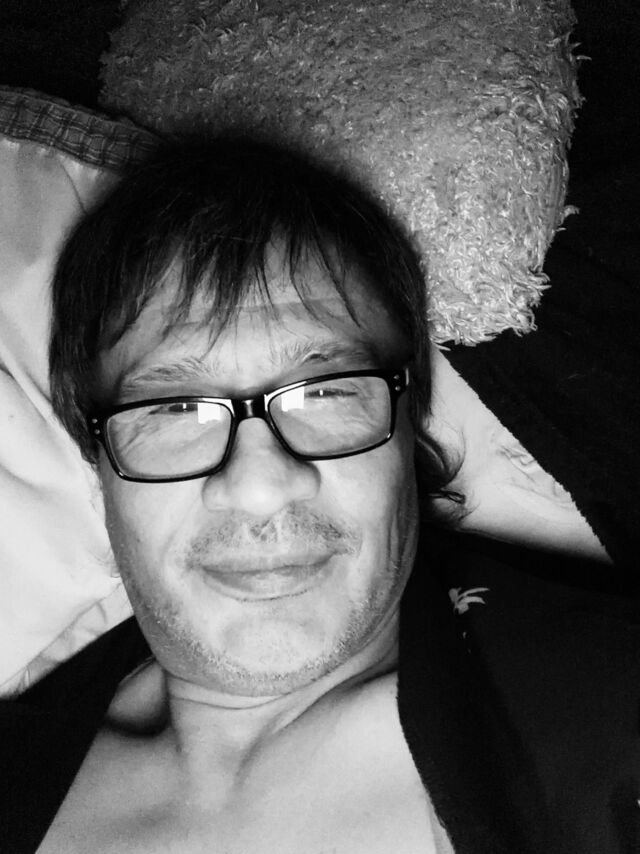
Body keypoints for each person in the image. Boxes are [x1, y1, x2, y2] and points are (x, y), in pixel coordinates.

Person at [0, 137, 542, 853]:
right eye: (175, 409)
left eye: (324, 391)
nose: (259, 487)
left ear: (408, 423)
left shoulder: (604, 713)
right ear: (98, 463)